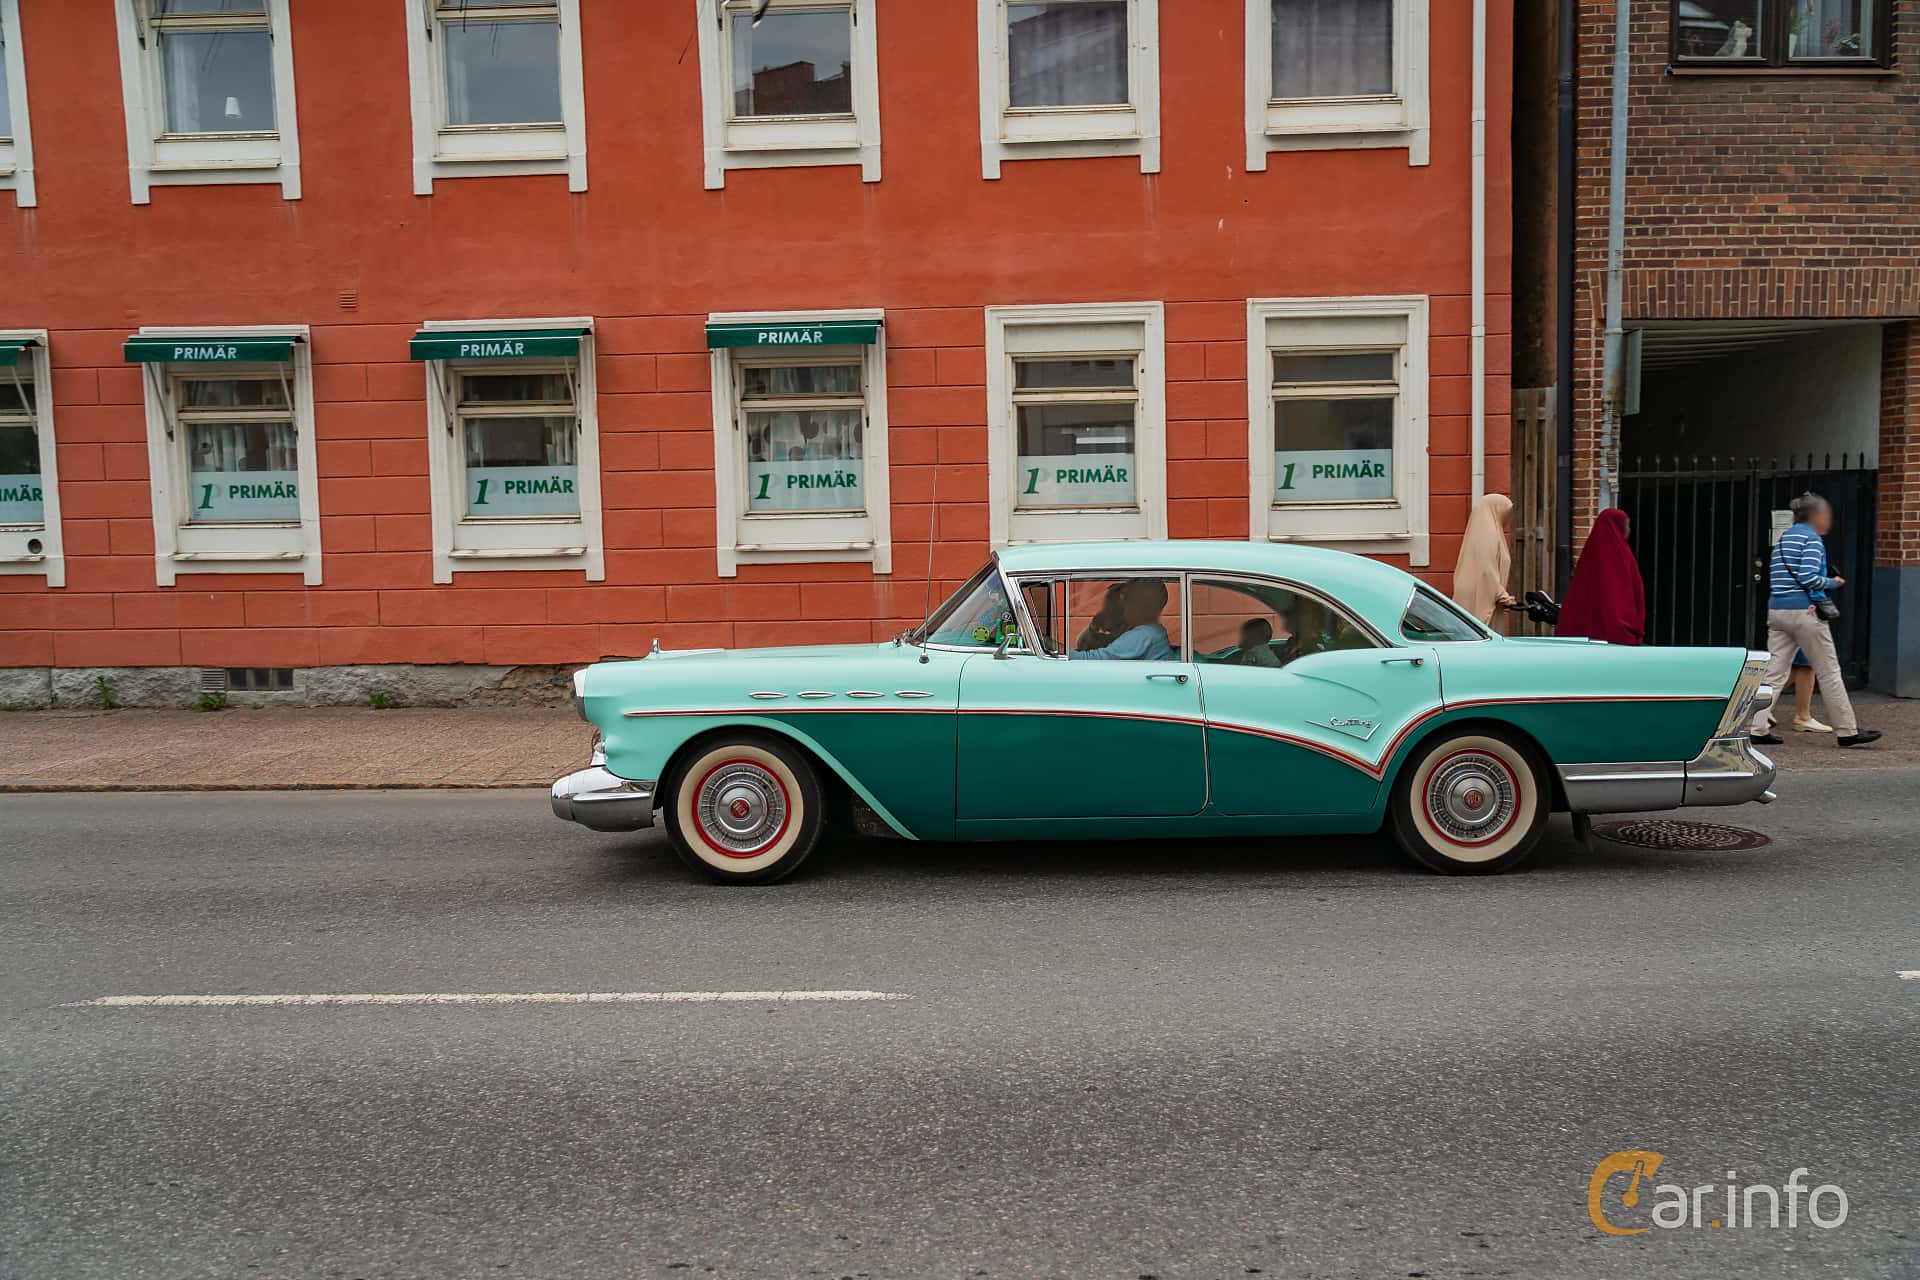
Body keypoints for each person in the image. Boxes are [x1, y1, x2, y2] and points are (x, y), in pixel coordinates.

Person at [1751, 493, 1879, 747]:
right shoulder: (1812, 540)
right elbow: (1809, 577)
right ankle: (1847, 730)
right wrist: (1833, 582)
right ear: (1816, 516)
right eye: (1826, 515)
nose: (1828, 521)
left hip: (1777, 611)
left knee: (1774, 673)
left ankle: (1755, 727)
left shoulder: (1784, 538)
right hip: (1805, 612)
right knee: (1829, 671)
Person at [1556, 508, 1646, 645]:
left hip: (1581, 635)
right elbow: (1620, 598)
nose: (1628, 530)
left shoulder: (1589, 554)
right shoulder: (1620, 556)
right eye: (1626, 525)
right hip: (1613, 636)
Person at [1451, 493, 1515, 626]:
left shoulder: (1491, 533)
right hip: (1481, 597)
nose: (1507, 518)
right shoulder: (1488, 535)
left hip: (1486, 594)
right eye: (1505, 513)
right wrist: (1502, 595)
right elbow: (1487, 570)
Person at [1072, 579, 1174, 661]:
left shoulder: (1143, 634)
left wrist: (1058, 652)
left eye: (1127, 598)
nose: (1122, 605)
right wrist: (1096, 624)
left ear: (1141, 606)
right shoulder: (1153, 631)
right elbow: (1086, 645)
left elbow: (1093, 659)